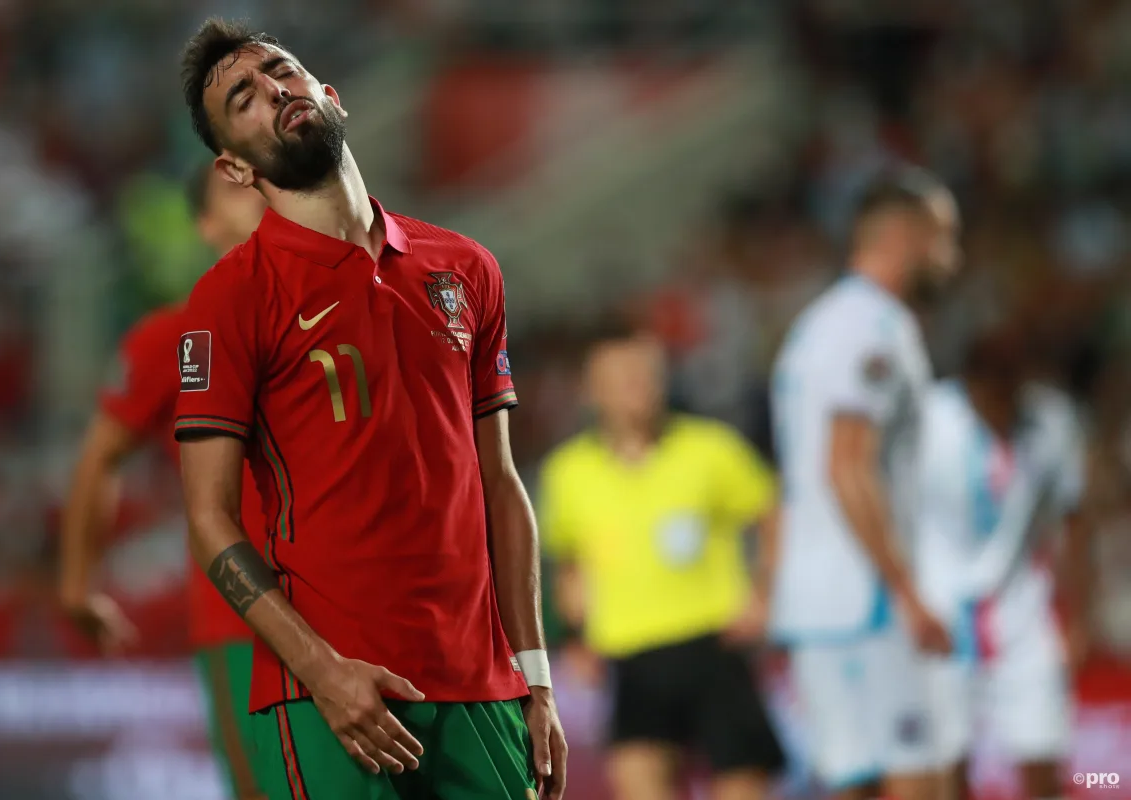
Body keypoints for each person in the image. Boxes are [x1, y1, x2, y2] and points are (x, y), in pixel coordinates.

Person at [173, 19, 566, 800]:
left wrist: (536, 676)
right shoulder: (231, 298)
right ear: (233, 168)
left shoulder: (465, 268)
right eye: (243, 98)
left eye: (282, 70)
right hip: (336, 691)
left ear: (328, 92)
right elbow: (210, 520)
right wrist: (320, 672)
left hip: (482, 683)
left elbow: (500, 482)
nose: (274, 91)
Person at [59, 164, 268, 800]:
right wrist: (76, 585)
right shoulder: (174, 338)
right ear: (205, 226)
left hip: (358, 611)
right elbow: (100, 457)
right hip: (246, 618)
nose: (257, 189)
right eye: (234, 186)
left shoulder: (351, 314)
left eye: (263, 178)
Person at [769, 168, 961, 800]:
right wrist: (906, 590)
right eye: (943, 238)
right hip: (869, 602)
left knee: (856, 783)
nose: (952, 257)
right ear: (903, 238)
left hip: (819, 601)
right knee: (919, 783)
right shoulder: (874, 330)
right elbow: (846, 464)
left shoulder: (815, 326)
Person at [540, 324, 786, 800]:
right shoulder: (568, 473)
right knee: (641, 784)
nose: (638, 387)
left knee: (743, 786)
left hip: (712, 641)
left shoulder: (710, 447)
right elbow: (569, 563)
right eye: (622, 378)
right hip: (632, 656)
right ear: (593, 391)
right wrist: (577, 636)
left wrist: (764, 593)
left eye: (646, 374)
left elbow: (771, 513)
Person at [917, 324, 1091, 800]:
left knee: (1045, 765)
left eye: (1012, 391)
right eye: (992, 393)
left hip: (1022, 612)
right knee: (947, 764)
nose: (1002, 407)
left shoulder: (1052, 421)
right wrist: (904, 599)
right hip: (941, 612)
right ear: (968, 384)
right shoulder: (927, 420)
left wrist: (1078, 616)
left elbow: (1074, 518)